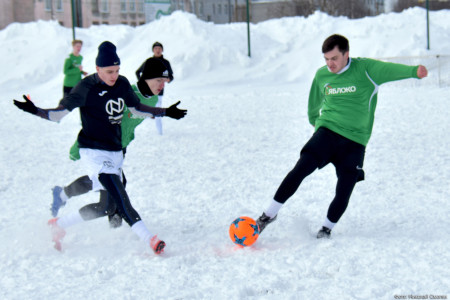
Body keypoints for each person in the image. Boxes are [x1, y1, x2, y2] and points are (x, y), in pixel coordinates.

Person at [13, 41, 187, 254]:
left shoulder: (122, 86)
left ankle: (59, 223)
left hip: (115, 150)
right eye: (109, 71)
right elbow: (60, 113)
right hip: (93, 149)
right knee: (116, 189)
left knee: (106, 204)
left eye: (117, 70)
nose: (114, 75)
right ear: (97, 69)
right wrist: (36, 110)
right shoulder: (88, 87)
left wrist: (165, 112)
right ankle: (149, 239)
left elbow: (138, 110)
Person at [255, 34, 428, 239]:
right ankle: (267, 215)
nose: (330, 64)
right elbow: (313, 108)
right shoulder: (322, 76)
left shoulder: (366, 70)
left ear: (347, 54)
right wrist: (317, 126)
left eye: (334, 58)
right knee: (300, 168)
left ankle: (326, 229)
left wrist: (414, 72)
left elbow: (390, 70)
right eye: (326, 59)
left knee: (344, 190)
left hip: (355, 142)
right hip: (327, 133)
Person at [50, 57, 171, 229]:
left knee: (102, 183)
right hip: (100, 146)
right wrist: (78, 147)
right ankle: (111, 224)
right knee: (110, 192)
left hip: (119, 149)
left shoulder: (151, 100)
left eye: (164, 81)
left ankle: (62, 194)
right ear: (145, 78)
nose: (162, 85)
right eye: (158, 80)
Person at [136, 41, 174, 135]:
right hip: (148, 93)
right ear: (153, 50)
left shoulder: (165, 63)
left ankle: (159, 133)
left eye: (159, 49)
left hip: (159, 92)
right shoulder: (149, 62)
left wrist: (168, 79)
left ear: (162, 50)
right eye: (156, 48)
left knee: (157, 111)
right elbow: (138, 72)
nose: (158, 50)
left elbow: (171, 76)